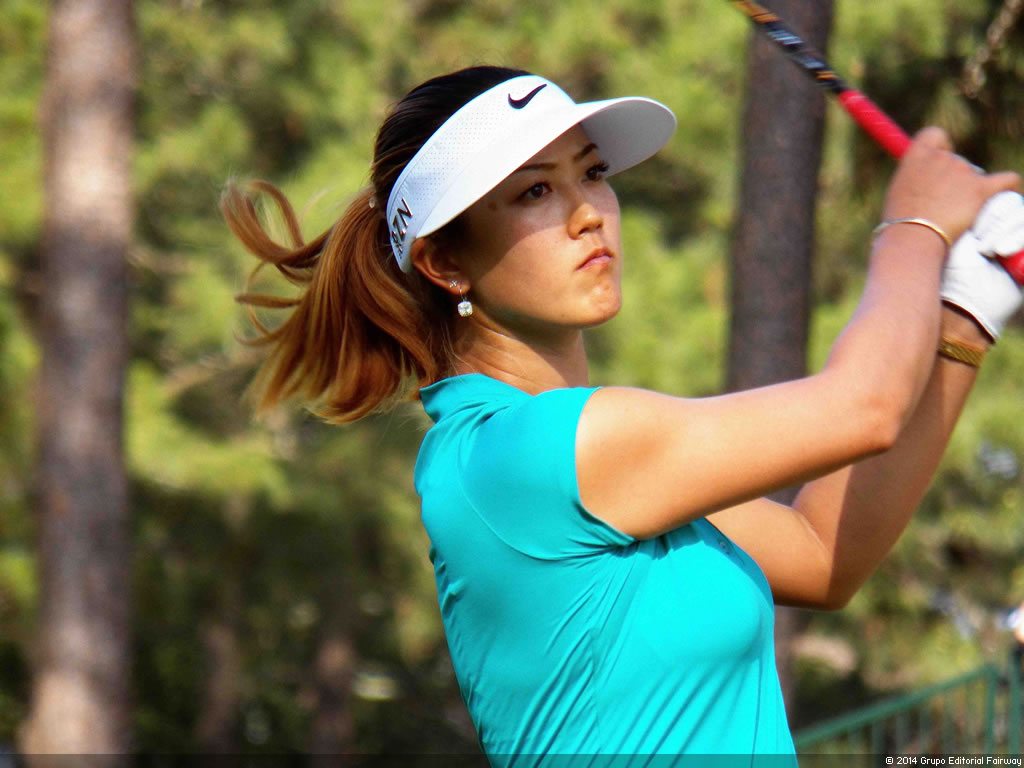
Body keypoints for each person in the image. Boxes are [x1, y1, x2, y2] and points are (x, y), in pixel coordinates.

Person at [223, 65, 1024, 763]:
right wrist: (914, 225)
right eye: (535, 191)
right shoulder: (537, 453)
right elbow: (865, 407)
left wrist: (966, 310)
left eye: (593, 173)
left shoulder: (572, 457)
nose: (589, 213)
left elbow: (821, 555)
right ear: (444, 262)